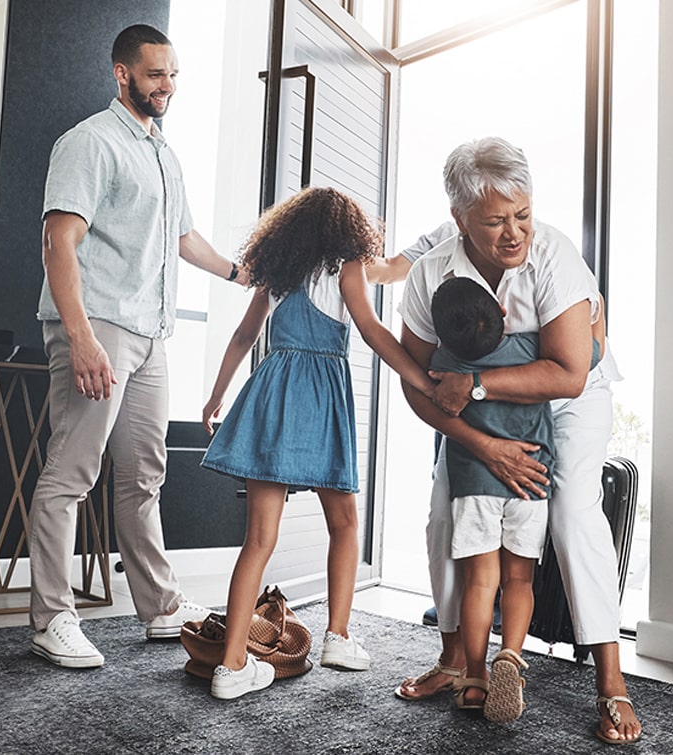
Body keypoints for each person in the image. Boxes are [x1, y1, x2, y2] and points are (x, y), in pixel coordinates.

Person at [394, 137, 642, 744]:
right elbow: (418, 386)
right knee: (442, 513)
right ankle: (458, 661)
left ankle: (612, 685)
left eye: (523, 215)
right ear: (459, 220)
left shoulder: (554, 254)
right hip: (482, 415)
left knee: (571, 512)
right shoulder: (431, 274)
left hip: (568, 399)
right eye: (495, 220)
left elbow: (569, 371)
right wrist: (481, 447)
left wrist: (475, 383)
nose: (514, 233)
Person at [29, 23, 244, 670]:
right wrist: (82, 336)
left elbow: (183, 240)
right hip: (98, 326)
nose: (167, 85)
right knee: (72, 472)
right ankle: (52, 618)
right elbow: (58, 242)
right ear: (122, 73)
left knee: (145, 475)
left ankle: (158, 606)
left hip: (151, 334)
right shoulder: (90, 142)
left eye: (173, 74)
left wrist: (242, 271)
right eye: (155, 74)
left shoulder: (163, 153)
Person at [198, 187, 437, 700]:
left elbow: (243, 337)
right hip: (321, 394)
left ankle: (232, 664)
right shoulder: (347, 264)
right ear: (346, 231)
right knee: (345, 522)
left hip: (272, 390)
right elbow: (370, 329)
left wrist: (215, 399)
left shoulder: (277, 273)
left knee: (258, 539)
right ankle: (338, 636)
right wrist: (420, 378)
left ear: (286, 231)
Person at [427, 276, 556, 722]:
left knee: (480, 583)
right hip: (532, 478)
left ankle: (476, 678)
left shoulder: (445, 361)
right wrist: (595, 320)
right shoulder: (530, 350)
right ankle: (511, 657)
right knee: (519, 581)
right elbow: (586, 357)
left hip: (474, 484)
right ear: (502, 311)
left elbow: (430, 389)